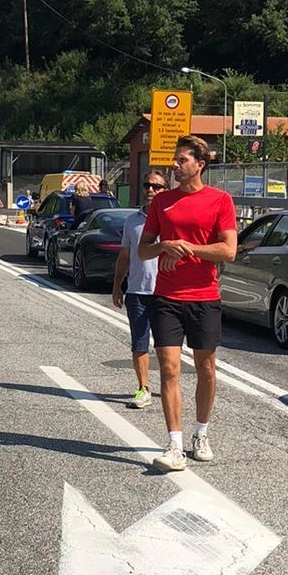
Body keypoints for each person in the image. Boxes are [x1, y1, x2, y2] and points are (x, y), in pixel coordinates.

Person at [137, 135, 238, 472]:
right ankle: (174, 444)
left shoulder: (220, 200)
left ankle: (201, 433)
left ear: (200, 165)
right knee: (168, 368)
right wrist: (166, 245)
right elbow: (143, 250)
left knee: (206, 369)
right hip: (166, 297)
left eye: (182, 160)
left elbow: (228, 251)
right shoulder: (161, 202)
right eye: (175, 160)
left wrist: (187, 247)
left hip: (205, 297)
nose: (175, 166)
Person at [111, 169, 168, 409]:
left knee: (166, 346)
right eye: (147, 186)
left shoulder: (171, 218)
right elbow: (125, 255)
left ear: (166, 189)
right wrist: (117, 285)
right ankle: (143, 388)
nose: (151, 190)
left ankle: (169, 388)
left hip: (166, 292)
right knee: (139, 343)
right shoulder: (132, 221)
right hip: (137, 291)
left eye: (157, 186)